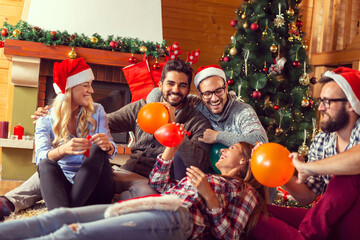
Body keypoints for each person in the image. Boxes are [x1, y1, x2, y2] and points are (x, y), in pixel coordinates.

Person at [0, 59, 212, 219]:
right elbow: (100, 120)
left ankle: (93, 211)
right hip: (123, 171)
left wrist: (173, 128)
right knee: (55, 167)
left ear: (188, 89)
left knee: (146, 196)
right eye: (171, 83)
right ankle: (9, 201)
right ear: (161, 83)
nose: (175, 90)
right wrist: (62, 113)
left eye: (182, 85)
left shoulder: (195, 120)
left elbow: (198, 160)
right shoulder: (141, 108)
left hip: (149, 179)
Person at [0, 134, 268, 240]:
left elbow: (230, 236)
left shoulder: (246, 192)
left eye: (230, 149)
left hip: (178, 219)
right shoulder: (207, 174)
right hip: (157, 204)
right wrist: (169, 151)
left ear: (244, 160)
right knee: (59, 216)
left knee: (75, 232)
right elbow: (160, 185)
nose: (221, 152)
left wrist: (210, 198)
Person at [252, 67, 360, 240]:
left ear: (350, 104)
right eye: (320, 101)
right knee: (259, 213)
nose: (321, 108)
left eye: (327, 101)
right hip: (333, 221)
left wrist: (309, 167)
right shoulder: (322, 140)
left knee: (347, 173)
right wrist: (281, 171)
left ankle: (307, 235)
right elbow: (308, 196)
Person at [147, 64, 268, 179]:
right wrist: (152, 108)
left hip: (242, 173)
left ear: (226, 87)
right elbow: (159, 91)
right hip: (209, 173)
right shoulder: (196, 104)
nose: (214, 98)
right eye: (207, 93)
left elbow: (260, 140)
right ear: (199, 94)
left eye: (219, 91)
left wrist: (218, 136)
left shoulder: (242, 111)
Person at [36, 58, 116, 210]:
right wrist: (63, 150)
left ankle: (64, 214)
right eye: (86, 85)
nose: (91, 91)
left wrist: (108, 146)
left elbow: (111, 150)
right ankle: (64, 217)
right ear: (69, 88)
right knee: (46, 164)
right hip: (66, 186)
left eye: (90, 86)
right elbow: (40, 157)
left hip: (97, 188)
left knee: (97, 149)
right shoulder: (45, 119)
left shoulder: (98, 110)